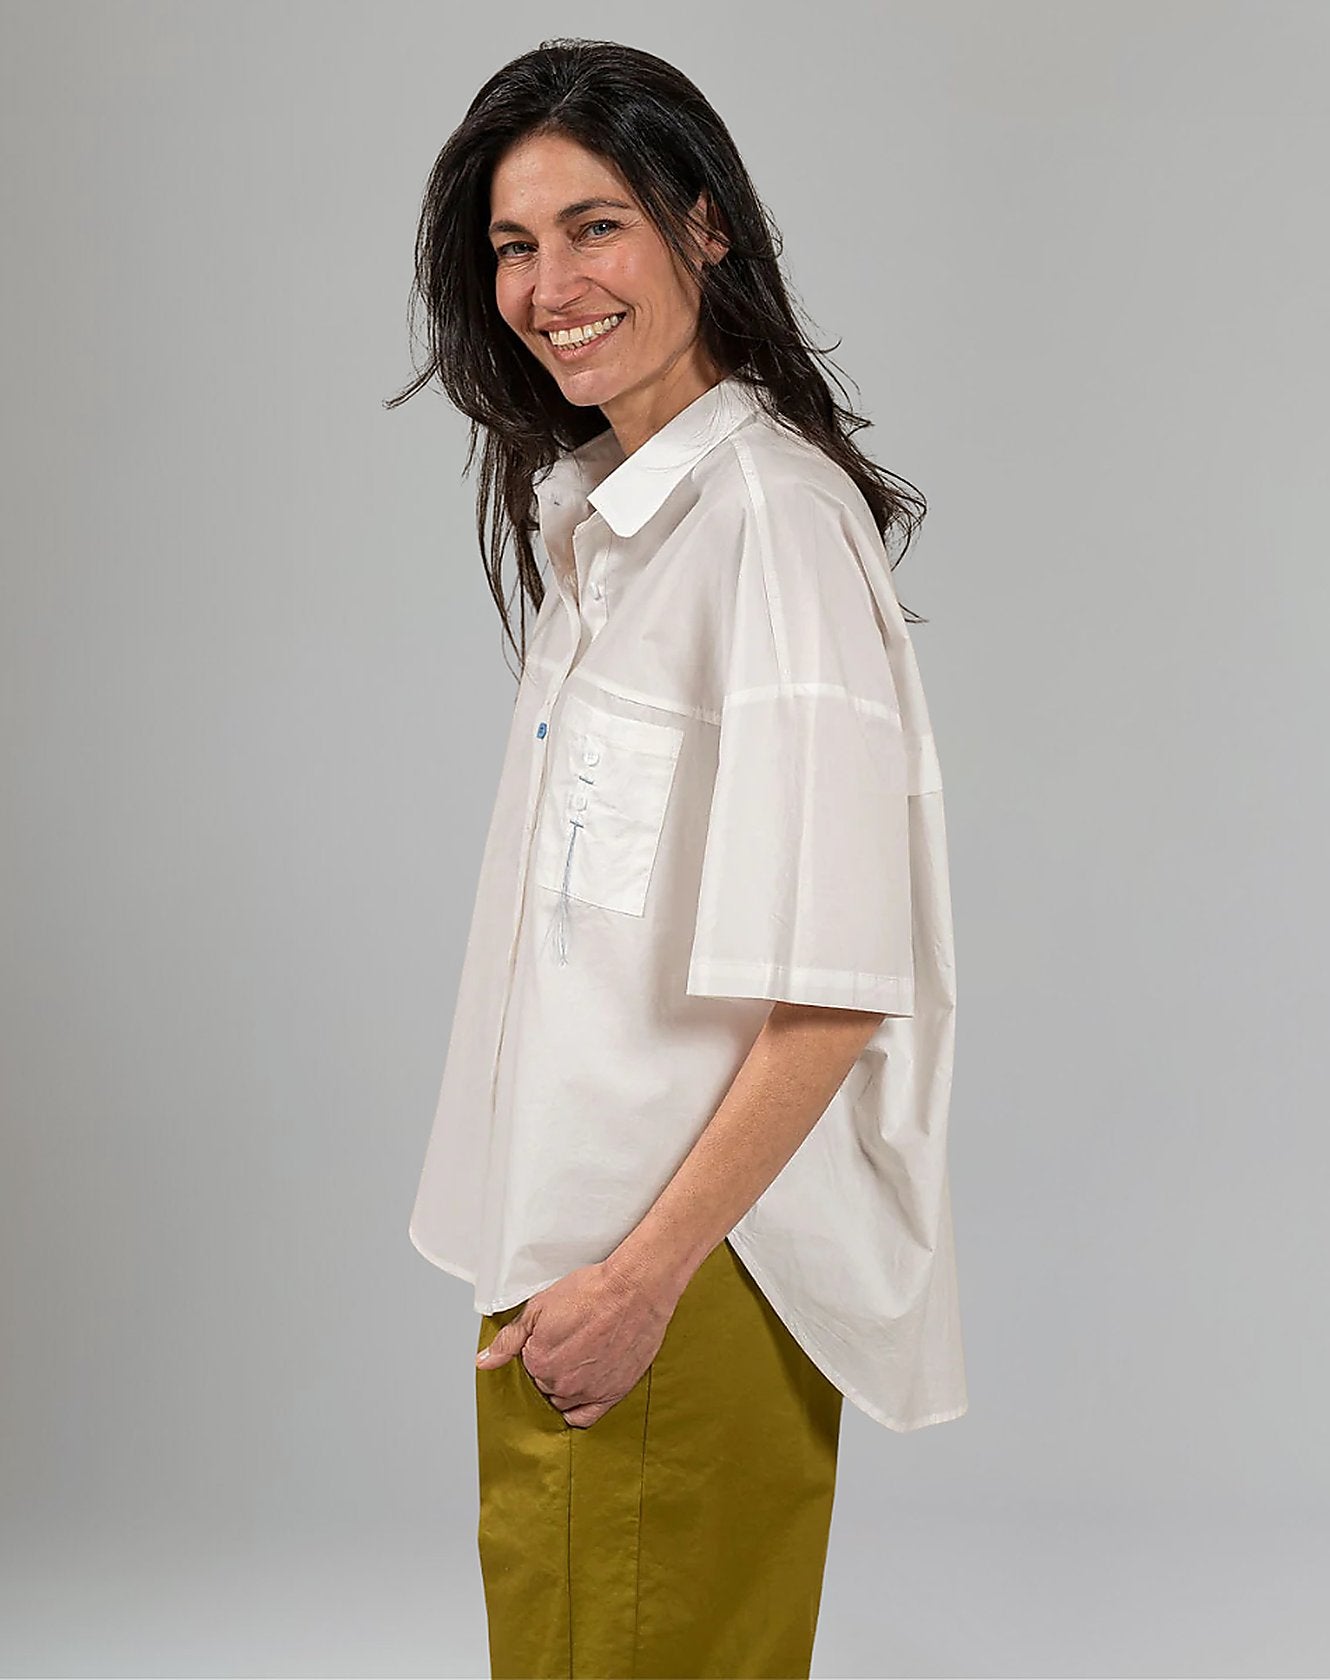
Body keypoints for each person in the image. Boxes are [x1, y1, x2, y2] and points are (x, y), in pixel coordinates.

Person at [390, 36, 967, 1680]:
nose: (548, 285)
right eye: (514, 244)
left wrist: (642, 1282)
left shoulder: (766, 527)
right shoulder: (617, 526)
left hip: (677, 1272)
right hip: (570, 1261)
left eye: (597, 227)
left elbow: (833, 987)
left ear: (703, 225)